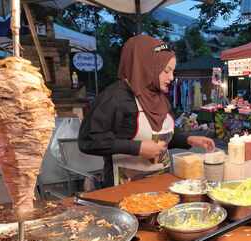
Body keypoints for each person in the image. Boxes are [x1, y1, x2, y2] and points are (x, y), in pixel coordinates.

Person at [79, 35, 215, 187]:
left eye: (172, 71)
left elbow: (163, 136)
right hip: (125, 187)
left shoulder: (160, 97)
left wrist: (188, 139)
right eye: (166, 71)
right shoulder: (114, 97)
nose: (171, 77)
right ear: (146, 66)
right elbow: (89, 141)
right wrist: (138, 148)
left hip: (161, 182)